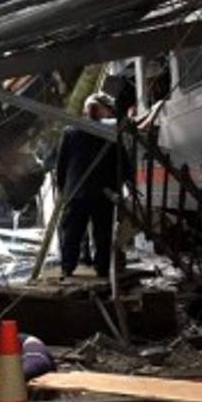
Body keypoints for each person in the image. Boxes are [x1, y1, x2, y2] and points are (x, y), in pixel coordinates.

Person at [56, 93, 130, 279]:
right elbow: (123, 162)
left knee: (73, 232)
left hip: (77, 191)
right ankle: (102, 268)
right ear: (102, 112)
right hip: (102, 192)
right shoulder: (110, 133)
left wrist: (63, 188)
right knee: (102, 232)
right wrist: (124, 184)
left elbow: (61, 165)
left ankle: (68, 267)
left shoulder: (70, 131)